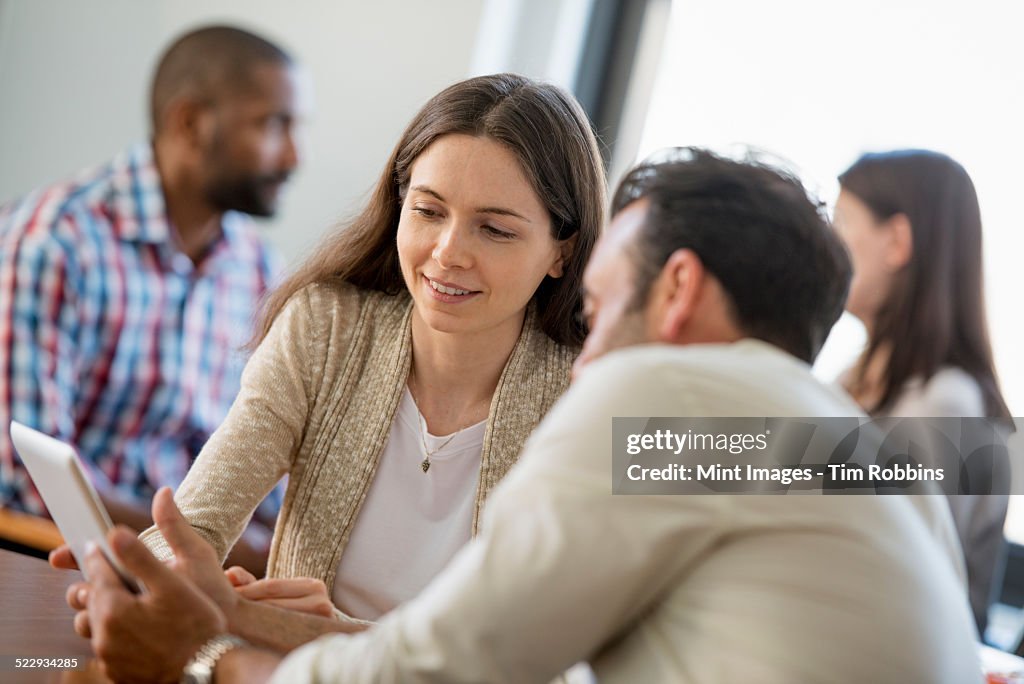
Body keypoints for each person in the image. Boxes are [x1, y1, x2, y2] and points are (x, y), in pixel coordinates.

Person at [72, 148, 981, 683]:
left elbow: (450, 668)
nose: (584, 357)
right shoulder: (847, 442)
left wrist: (206, 657)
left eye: (599, 301)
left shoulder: (662, 398)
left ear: (677, 289)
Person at [82, 72, 603, 636]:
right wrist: (147, 581)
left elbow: (534, 657)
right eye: (428, 212)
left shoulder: (595, 398)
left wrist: (309, 630)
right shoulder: (325, 327)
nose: (448, 253)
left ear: (561, 251)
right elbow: (191, 527)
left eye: (495, 230)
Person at [0, 25, 305, 573]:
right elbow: (27, 471)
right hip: (60, 559)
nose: (292, 156)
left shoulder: (259, 267)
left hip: (199, 563)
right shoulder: (55, 241)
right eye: (271, 124)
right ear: (190, 122)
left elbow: (263, 456)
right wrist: (202, 544)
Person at [834, 149, 1013, 636]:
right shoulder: (856, 376)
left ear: (897, 241)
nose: (829, 244)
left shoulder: (945, 402)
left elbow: (910, 584)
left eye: (843, 224)